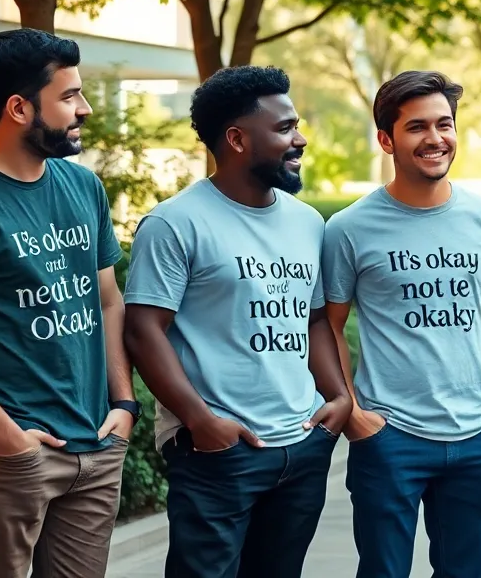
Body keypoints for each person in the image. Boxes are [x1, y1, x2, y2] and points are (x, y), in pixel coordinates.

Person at [123, 65, 352, 578]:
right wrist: (201, 422)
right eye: (285, 128)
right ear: (236, 139)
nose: (300, 139)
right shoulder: (174, 222)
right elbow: (142, 330)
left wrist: (338, 398)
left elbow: (314, 319)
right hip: (219, 453)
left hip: (301, 445)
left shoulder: (306, 221)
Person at [322, 70, 481, 578]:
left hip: (479, 433)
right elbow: (326, 328)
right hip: (390, 435)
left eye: (445, 124)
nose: (435, 139)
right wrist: (354, 415)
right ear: (386, 139)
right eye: (417, 128)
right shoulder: (348, 229)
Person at [0, 28, 136, 578]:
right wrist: (5, 438)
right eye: (68, 96)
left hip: (95, 446)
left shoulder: (81, 187)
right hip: (5, 456)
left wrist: (124, 407)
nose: (84, 109)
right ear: (17, 107)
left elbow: (108, 302)